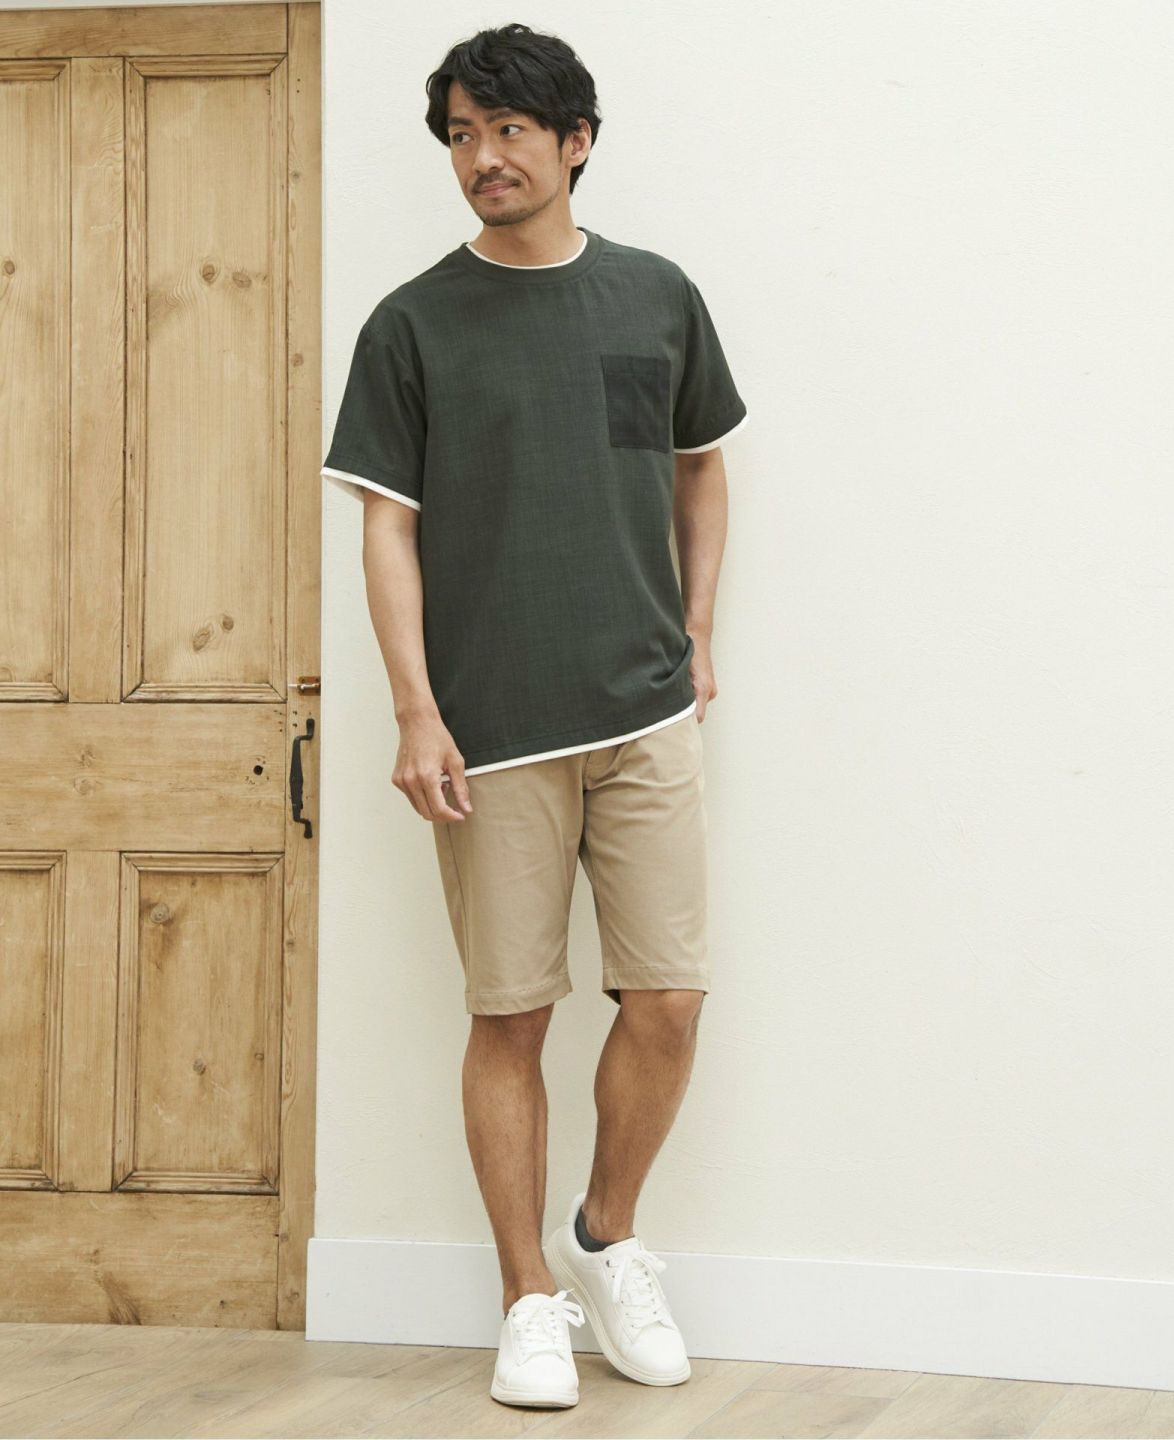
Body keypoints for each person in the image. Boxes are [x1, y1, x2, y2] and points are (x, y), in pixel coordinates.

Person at [321, 22, 748, 1410]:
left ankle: (604, 1240)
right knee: (508, 1015)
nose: (482, 158)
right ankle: (526, 1301)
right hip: (491, 727)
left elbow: (700, 466)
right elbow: (388, 527)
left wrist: (695, 635)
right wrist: (414, 711)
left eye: (508, 130)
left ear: (576, 141)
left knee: (668, 1000)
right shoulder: (412, 324)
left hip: (645, 710)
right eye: (461, 134)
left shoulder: (657, 296)